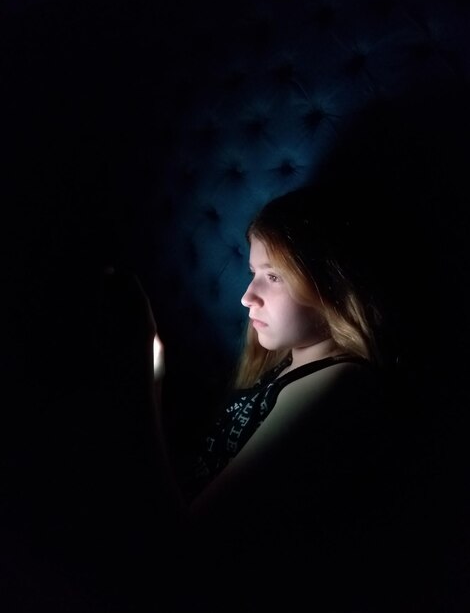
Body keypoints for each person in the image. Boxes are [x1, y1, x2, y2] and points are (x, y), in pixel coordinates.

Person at [103, 185, 399, 612]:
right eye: (252, 272)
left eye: (273, 276)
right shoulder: (287, 366)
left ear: (331, 281)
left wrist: (144, 386)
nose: (247, 296)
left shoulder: (340, 382)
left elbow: (186, 547)